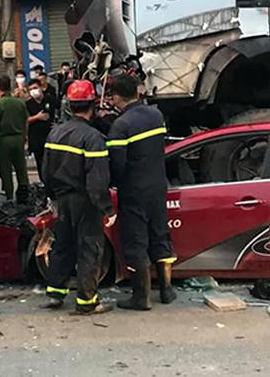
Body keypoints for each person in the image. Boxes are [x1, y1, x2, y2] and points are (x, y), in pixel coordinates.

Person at [39, 80, 115, 316]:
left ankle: (55, 293)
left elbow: (45, 170)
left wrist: (52, 196)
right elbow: (97, 179)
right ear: (93, 105)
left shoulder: (55, 133)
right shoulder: (93, 138)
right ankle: (86, 301)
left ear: (69, 105)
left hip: (62, 200)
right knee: (89, 249)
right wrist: (107, 208)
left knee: (63, 245)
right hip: (86, 202)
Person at [107, 73, 176, 311]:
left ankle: (141, 297)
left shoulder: (121, 125)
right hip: (158, 186)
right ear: (137, 92)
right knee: (160, 235)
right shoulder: (156, 116)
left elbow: (117, 164)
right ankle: (166, 290)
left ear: (116, 97)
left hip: (133, 191)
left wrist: (111, 183)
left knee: (135, 241)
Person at [0, 76, 29, 201]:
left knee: (5, 170)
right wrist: (25, 137)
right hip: (18, 138)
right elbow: (26, 121)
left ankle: (9, 197)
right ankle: (24, 195)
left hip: (3, 140)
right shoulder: (19, 103)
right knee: (21, 168)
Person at [26, 79, 56, 180]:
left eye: (35, 88)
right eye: (31, 89)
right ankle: (43, 181)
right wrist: (37, 117)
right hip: (36, 138)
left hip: (51, 137)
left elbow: (61, 111)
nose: (33, 91)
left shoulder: (50, 100)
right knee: (40, 162)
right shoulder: (28, 104)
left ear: (41, 88)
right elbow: (24, 120)